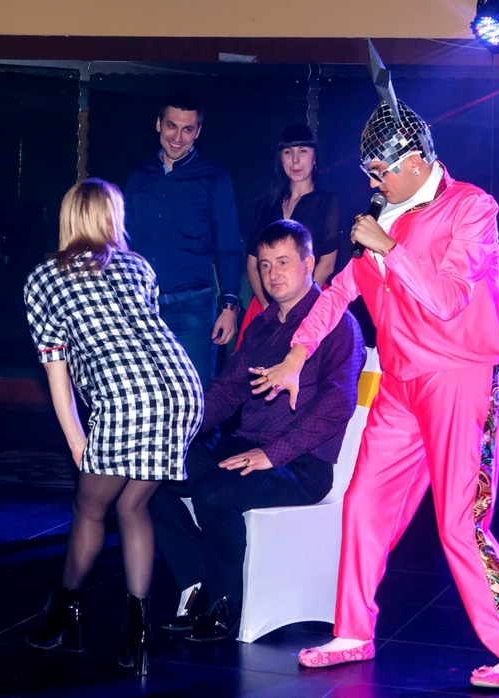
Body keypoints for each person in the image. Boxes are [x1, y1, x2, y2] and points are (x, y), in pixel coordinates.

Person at [250, 79, 499, 688]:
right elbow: (338, 294)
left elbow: (448, 300)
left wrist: (389, 247)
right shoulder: (383, 217)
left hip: (463, 376)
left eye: (380, 171)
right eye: (369, 172)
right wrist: (298, 354)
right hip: (400, 383)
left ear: (415, 161)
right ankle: (353, 631)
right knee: (363, 504)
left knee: (459, 521)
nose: (374, 182)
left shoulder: (471, 208)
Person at [150, 219, 365, 642]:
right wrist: (176, 430)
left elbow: (337, 404)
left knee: (214, 493)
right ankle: (198, 585)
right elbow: (228, 391)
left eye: (283, 262)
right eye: (265, 265)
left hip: (302, 465)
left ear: (308, 264)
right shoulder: (263, 325)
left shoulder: (337, 323)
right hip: (248, 445)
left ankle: (224, 605)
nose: (272, 274)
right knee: (152, 476)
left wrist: (274, 453)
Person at [23, 179, 203, 675]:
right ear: (109, 217)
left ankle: (62, 611)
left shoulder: (45, 278)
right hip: (183, 390)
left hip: (128, 397)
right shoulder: (138, 266)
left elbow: (57, 372)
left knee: (88, 508)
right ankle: (137, 632)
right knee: (132, 504)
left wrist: (76, 439)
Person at [125, 91, 244, 385]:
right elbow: (124, 242)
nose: (178, 137)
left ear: (198, 131)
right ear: (158, 124)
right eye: (171, 126)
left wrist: (229, 308)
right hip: (143, 307)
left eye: (187, 129)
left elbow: (230, 247)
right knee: (145, 395)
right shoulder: (139, 177)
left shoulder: (215, 178)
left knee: (193, 397)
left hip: (193, 310)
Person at [236, 124, 341, 347]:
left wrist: (298, 307)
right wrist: (269, 307)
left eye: (302, 151)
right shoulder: (266, 205)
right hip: (266, 301)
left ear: (314, 157)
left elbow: (327, 264)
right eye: (287, 152)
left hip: (311, 303)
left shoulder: (327, 202)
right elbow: (252, 264)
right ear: (280, 159)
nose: (295, 160)